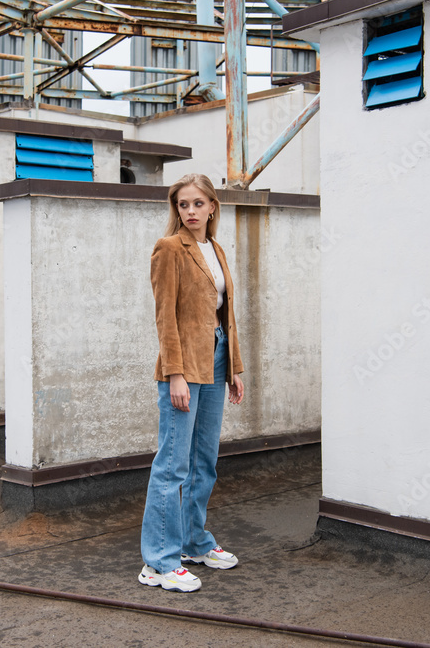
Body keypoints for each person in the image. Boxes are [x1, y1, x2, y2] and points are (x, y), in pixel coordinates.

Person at [138, 173, 245, 593]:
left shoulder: (214, 248)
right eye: (183, 205)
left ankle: (193, 542)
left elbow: (224, 316)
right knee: (172, 465)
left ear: (213, 206)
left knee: (204, 461)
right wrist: (175, 374)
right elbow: (165, 317)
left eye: (198, 204)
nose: (191, 211)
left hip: (216, 360)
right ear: (176, 209)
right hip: (183, 364)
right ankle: (158, 563)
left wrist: (233, 367)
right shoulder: (169, 249)